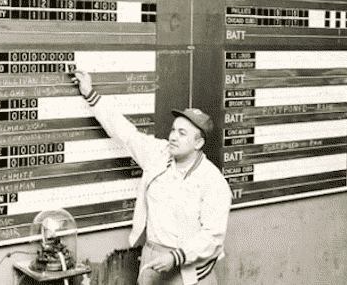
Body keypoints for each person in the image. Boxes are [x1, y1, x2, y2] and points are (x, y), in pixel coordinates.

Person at [73, 70, 232, 285]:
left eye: (182, 133)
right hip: (153, 258)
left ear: (198, 143)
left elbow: (212, 236)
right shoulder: (158, 153)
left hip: (189, 270)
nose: (173, 137)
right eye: (174, 130)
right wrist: (90, 94)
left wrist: (175, 257)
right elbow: (125, 132)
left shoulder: (213, 181)